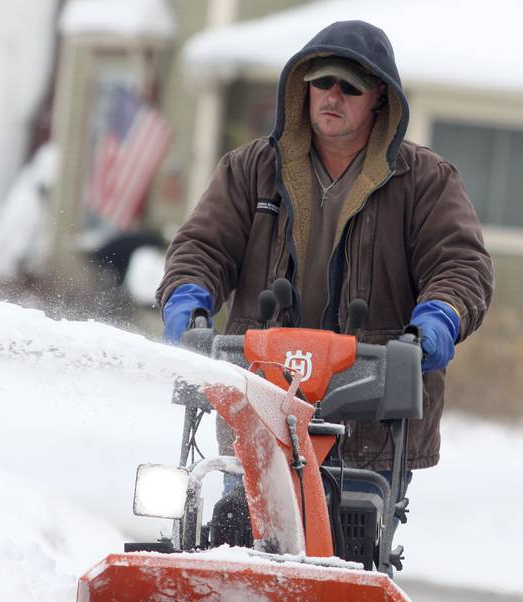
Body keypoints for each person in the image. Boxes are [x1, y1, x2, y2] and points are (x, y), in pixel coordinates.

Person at [156, 20, 494, 477]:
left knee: (349, 547)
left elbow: (460, 265)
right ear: (302, 87)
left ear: (380, 97)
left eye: (349, 87)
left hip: (371, 426)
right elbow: (202, 247)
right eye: (322, 82)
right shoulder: (250, 169)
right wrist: (187, 303)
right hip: (258, 409)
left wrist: (434, 324)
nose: (332, 96)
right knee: (235, 537)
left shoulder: (426, 181)